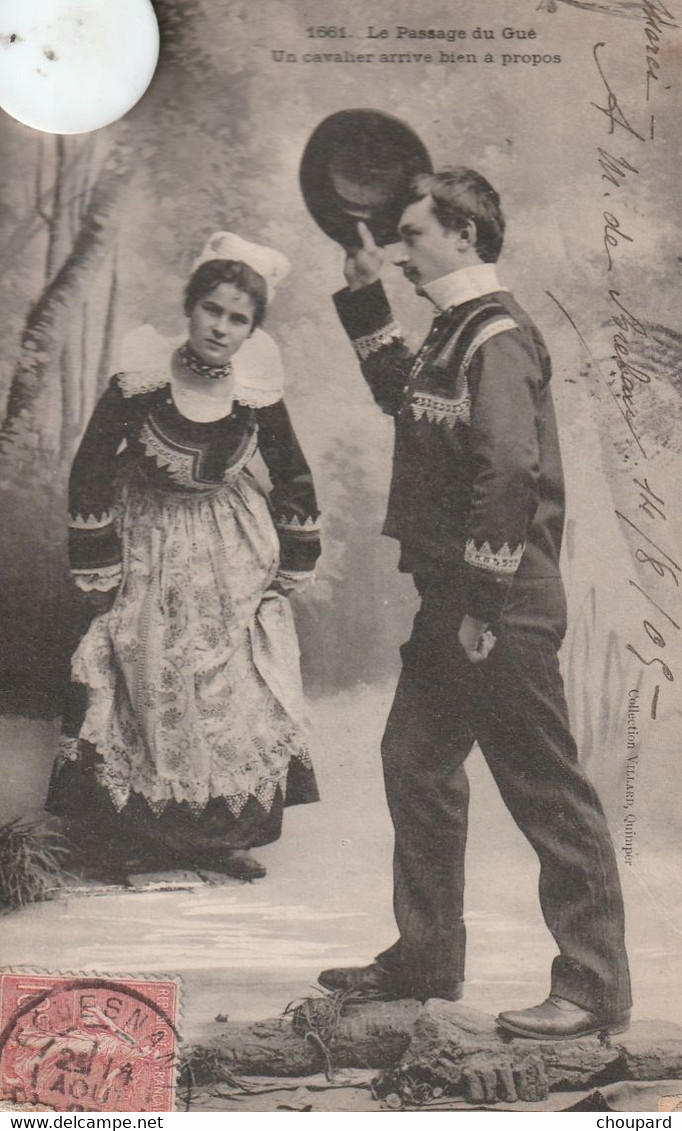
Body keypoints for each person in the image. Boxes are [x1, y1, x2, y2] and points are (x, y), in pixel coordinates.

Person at [318, 169, 632, 1039]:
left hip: (502, 608)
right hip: (458, 601)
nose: (399, 251)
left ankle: (594, 988)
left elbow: (511, 472)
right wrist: (364, 295)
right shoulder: (455, 331)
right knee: (415, 761)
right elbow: (407, 400)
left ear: (462, 234)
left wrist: (486, 605)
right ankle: (425, 958)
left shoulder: (496, 335)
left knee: (547, 794)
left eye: (411, 235)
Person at [47, 232, 321, 882]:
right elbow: (89, 467)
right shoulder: (141, 377)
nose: (222, 329)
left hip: (228, 544)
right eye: (213, 311)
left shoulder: (256, 387)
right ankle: (133, 836)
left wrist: (294, 558)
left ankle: (218, 837)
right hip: (148, 538)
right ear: (190, 308)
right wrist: (100, 560)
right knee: (144, 673)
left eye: (238, 319)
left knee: (225, 683)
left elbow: (295, 474)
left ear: (252, 328)